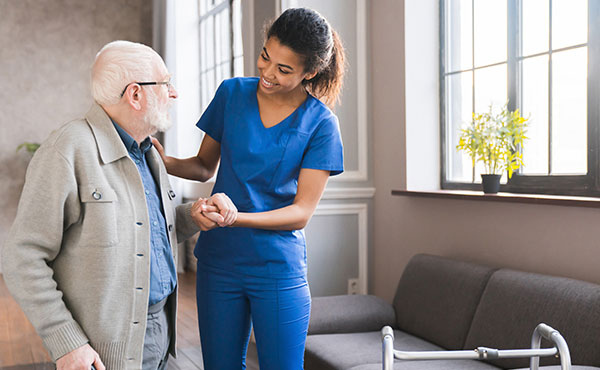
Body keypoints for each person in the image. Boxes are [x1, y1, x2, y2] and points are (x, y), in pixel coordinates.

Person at [1, 40, 235, 370]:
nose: (174, 93)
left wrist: (193, 215)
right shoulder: (67, 149)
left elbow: (147, 230)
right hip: (104, 349)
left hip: (160, 329)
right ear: (135, 94)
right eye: (165, 83)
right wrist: (67, 343)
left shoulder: (149, 152)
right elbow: (22, 257)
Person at [153, 8, 346, 370]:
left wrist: (234, 217)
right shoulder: (232, 93)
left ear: (310, 72)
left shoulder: (322, 124)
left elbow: (301, 212)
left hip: (277, 267)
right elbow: (203, 166)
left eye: (284, 70)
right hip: (218, 262)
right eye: (265, 57)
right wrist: (164, 161)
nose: (268, 74)